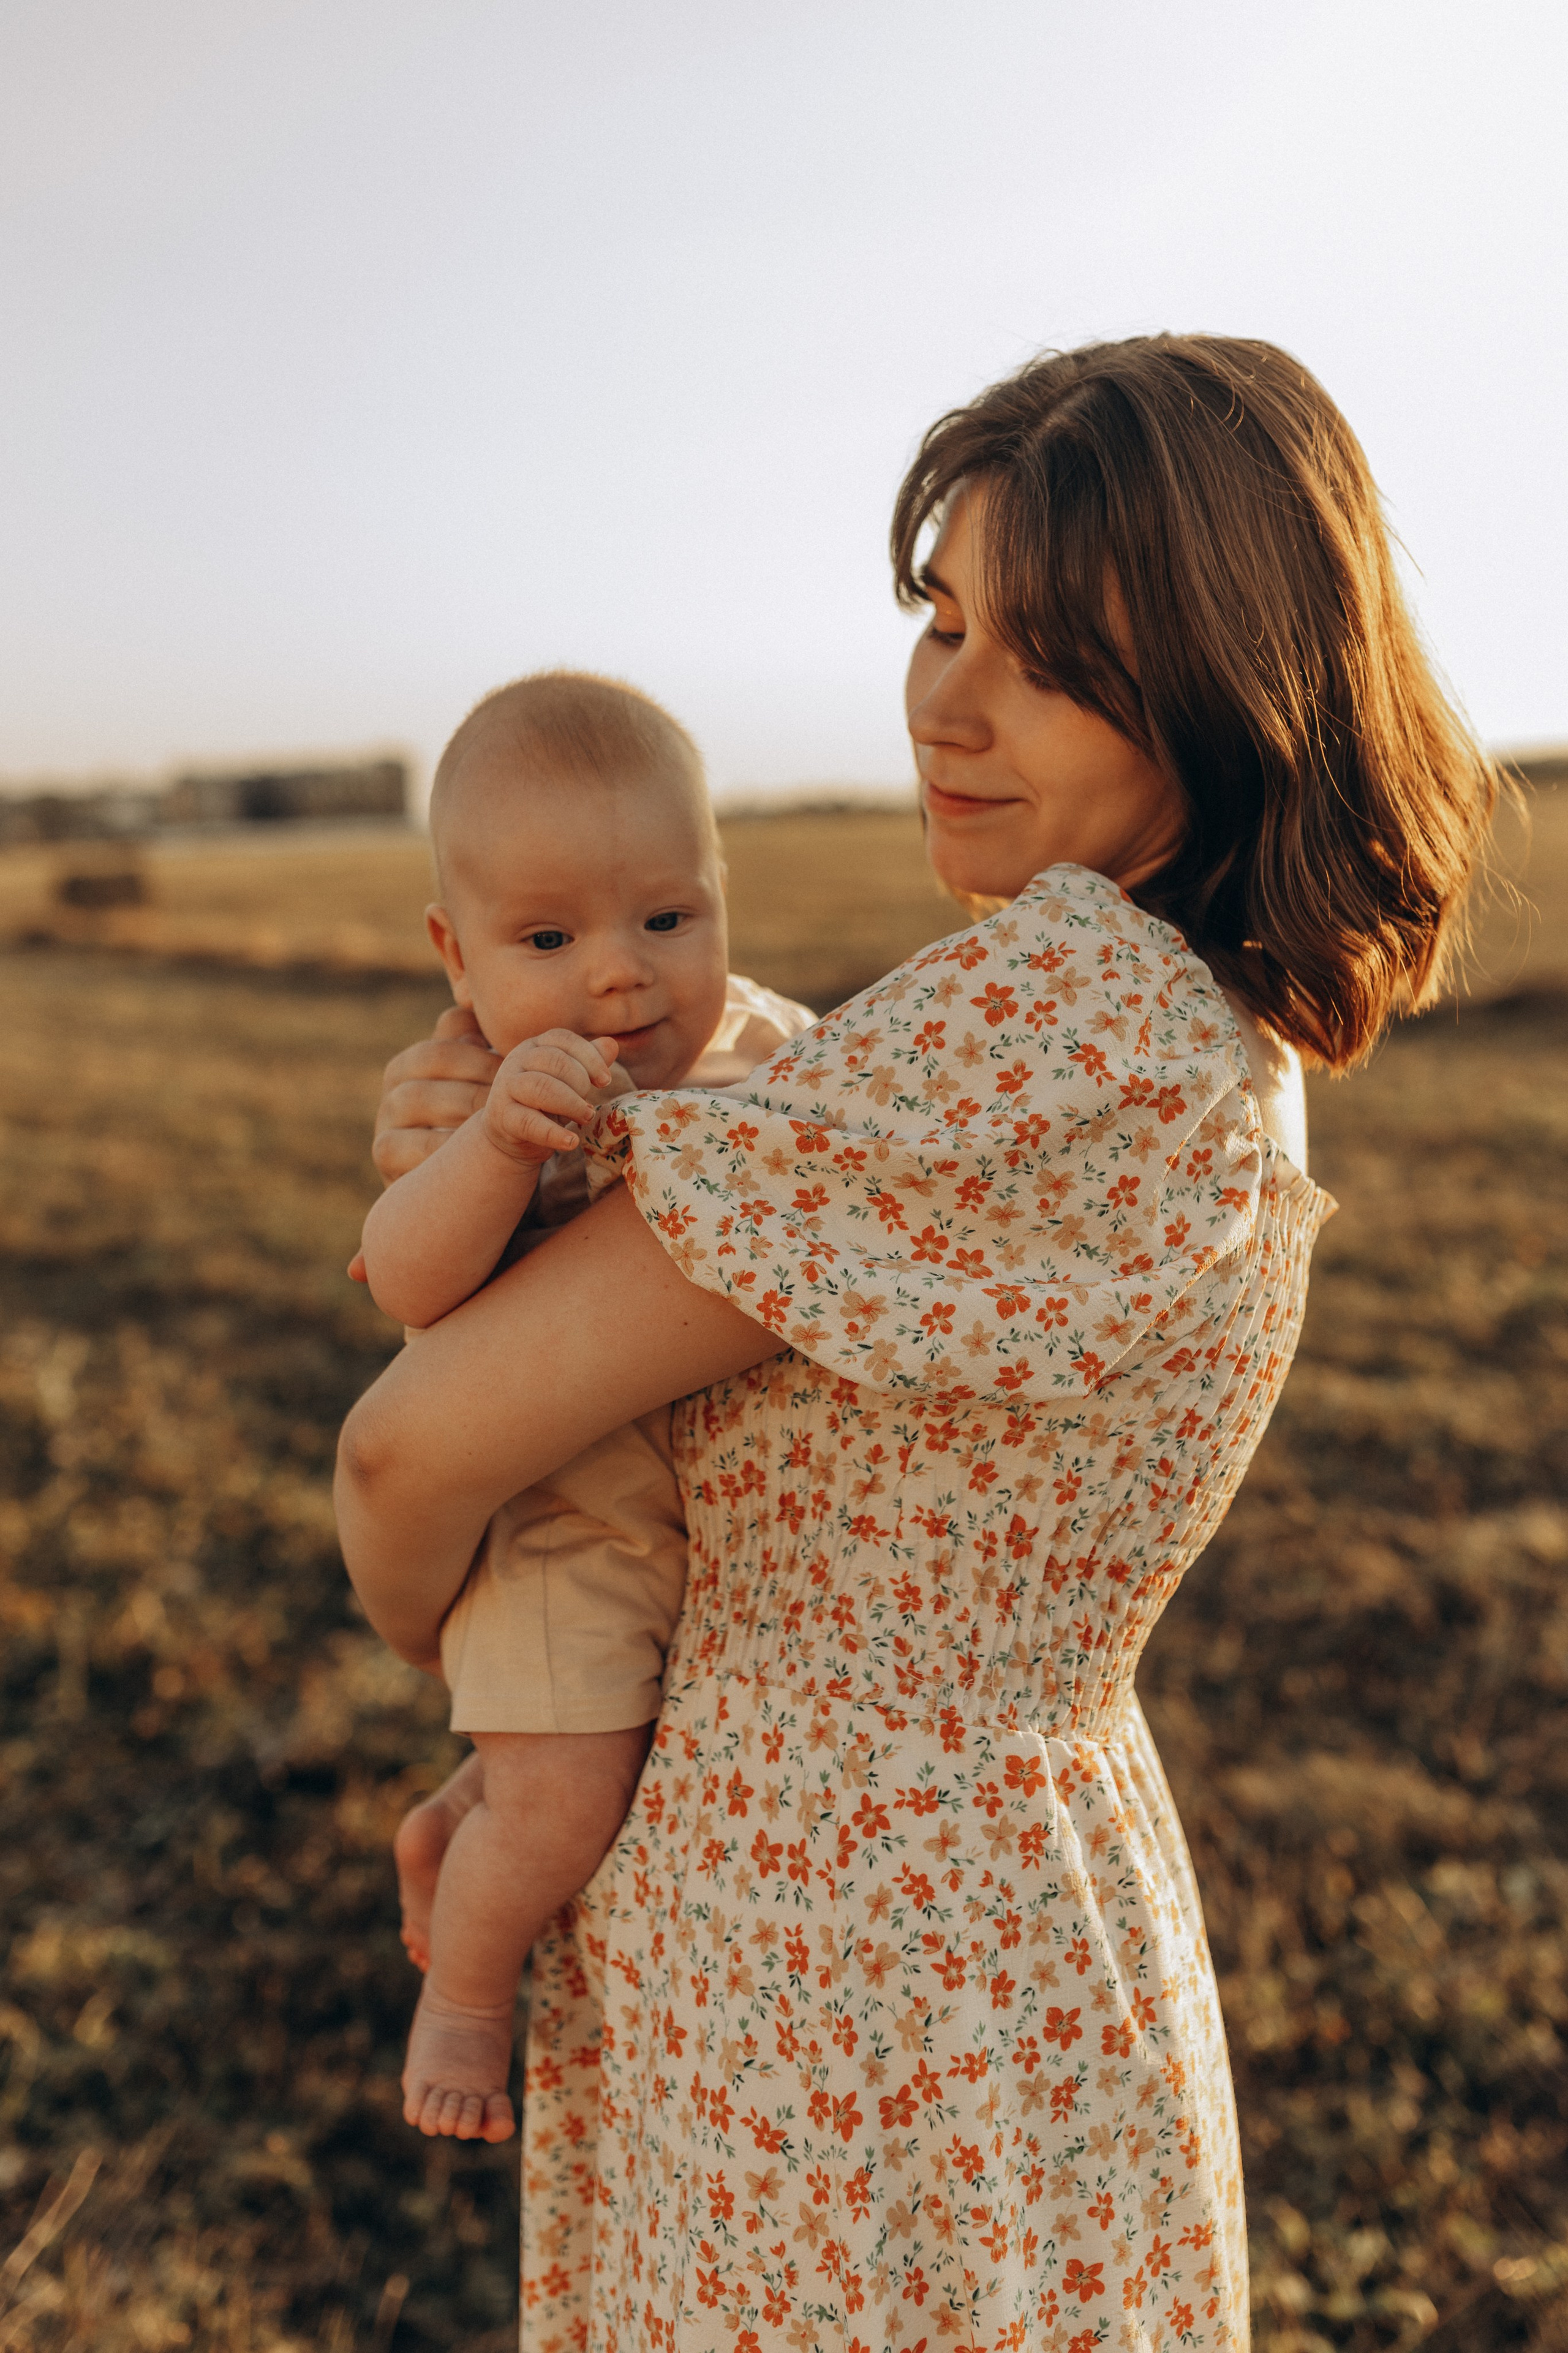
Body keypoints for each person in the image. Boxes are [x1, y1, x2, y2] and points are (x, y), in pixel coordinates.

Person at [337, 336, 1498, 2350]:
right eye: (941, 616)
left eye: (1044, 652)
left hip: (833, 1951)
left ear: (1229, 676)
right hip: (1021, 1898)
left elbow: (405, 1450)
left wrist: (453, 1649)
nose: (946, 706)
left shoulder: (1055, 1016)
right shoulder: (1216, 1027)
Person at [355, 669, 811, 2143]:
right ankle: (467, 2003)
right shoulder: (490, 1095)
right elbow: (404, 1284)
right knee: (563, 1806)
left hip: (700, 1529)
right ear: (456, 951)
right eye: (548, 940)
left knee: (546, 1775)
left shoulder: (767, 1046)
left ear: (717, 894)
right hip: (559, 1522)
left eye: (665, 919)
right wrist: (494, 1152)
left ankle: (450, 1824)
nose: (619, 977)